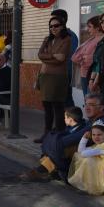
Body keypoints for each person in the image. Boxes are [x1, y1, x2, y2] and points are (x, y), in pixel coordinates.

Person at [21, 94, 104, 182]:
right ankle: (50, 170)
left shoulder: (100, 123)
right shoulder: (93, 120)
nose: (87, 108)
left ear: (101, 107)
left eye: (92, 105)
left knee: (65, 147)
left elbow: (72, 139)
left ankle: (46, 171)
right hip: (96, 157)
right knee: (59, 145)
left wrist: (54, 142)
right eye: (86, 105)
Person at [34, 15, 72, 143]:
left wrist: (47, 57)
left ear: (62, 26)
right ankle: (47, 133)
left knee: (57, 106)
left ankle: (59, 134)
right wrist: (52, 56)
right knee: (47, 106)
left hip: (58, 77)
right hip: (44, 76)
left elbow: (61, 58)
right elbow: (39, 55)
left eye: (56, 26)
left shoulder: (66, 39)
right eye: (51, 26)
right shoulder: (47, 40)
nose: (53, 28)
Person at [68, 121, 104, 195]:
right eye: (93, 135)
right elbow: (80, 151)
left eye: (99, 135)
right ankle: (87, 184)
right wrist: (84, 138)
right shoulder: (97, 146)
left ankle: (99, 186)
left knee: (89, 160)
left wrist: (84, 140)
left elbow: (83, 154)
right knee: (87, 158)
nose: (96, 137)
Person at [51, 9, 78, 107]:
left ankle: (72, 121)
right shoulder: (55, 36)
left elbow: (66, 55)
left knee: (66, 100)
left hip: (64, 73)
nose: (52, 23)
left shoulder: (70, 35)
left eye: (54, 19)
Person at [71, 15, 103, 98]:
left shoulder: (101, 40)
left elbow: (94, 60)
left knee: (91, 101)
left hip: (92, 76)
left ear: (98, 28)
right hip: (85, 74)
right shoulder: (92, 39)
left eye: (90, 27)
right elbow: (76, 57)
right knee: (87, 100)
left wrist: (83, 59)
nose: (87, 29)